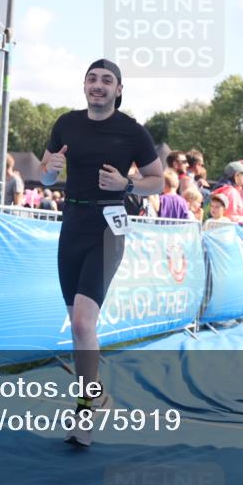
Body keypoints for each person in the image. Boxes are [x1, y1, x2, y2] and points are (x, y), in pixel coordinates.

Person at [39, 59, 162, 447]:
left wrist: (126, 183)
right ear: (84, 86)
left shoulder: (132, 131)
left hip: (109, 227)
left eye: (107, 80)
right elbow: (45, 173)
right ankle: (96, 395)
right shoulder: (66, 123)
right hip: (72, 222)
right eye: (92, 79)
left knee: (81, 324)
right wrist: (50, 170)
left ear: (119, 90)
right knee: (80, 329)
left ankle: (84, 411)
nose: (98, 85)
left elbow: (157, 182)